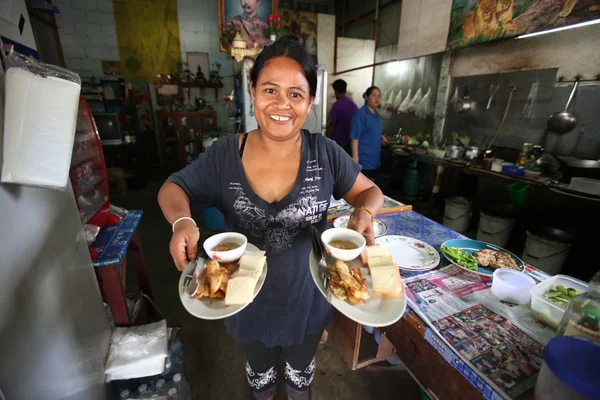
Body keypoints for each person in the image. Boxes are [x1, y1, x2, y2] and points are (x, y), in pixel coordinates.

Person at [158, 36, 383, 400]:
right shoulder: (224, 155)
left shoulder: (324, 152)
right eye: (270, 90)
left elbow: (370, 192)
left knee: (299, 382)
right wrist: (182, 221)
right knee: (260, 383)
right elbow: (173, 188)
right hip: (245, 303)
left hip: (307, 298)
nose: (282, 104)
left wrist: (363, 212)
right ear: (252, 89)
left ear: (310, 101)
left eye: (296, 94)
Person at [349, 86, 388, 179]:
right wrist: (355, 158)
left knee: (371, 185)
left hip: (374, 157)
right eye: (373, 95)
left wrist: (381, 138)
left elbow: (372, 129)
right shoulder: (360, 114)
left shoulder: (376, 114)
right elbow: (355, 136)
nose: (377, 98)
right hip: (363, 158)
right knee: (364, 188)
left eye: (378, 96)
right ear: (366, 97)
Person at [326, 79, 357, 154]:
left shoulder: (336, 105)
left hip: (338, 140)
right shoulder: (353, 104)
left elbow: (332, 124)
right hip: (350, 139)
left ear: (335, 91)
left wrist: (327, 137)